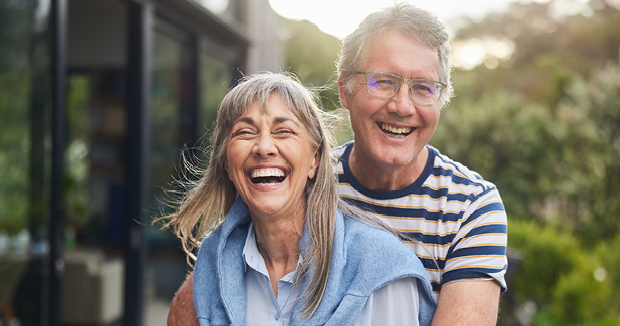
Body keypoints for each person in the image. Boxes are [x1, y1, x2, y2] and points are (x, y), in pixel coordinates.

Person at [167, 3, 508, 326]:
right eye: (384, 81)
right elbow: (225, 264)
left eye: (423, 88)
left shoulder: (472, 206)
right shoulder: (294, 177)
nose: (402, 106)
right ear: (344, 90)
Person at [162, 72, 437, 325]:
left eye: (284, 131)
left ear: (314, 161)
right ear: (225, 163)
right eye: (245, 132)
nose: (264, 147)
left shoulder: (381, 269)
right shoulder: (213, 263)